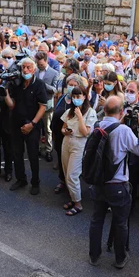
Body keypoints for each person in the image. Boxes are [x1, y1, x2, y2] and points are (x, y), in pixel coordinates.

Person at [88, 96, 139, 268]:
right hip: (118, 185)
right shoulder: (124, 131)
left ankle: (94, 256)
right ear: (121, 112)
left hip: (99, 182)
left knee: (96, 219)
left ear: (105, 110)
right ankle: (120, 258)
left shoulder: (97, 126)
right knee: (120, 222)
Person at [6, 57, 48, 195]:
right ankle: (21, 179)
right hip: (16, 124)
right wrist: (5, 94)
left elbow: (42, 107)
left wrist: (32, 123)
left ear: (34, 69)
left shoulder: (39, 84)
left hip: (32, 125)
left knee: (32, 155)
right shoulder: (17, 84)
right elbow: (12, 105)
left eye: (28, 67)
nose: (25, 70)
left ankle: (35, 182)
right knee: (17, 154)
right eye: (23, 67)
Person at [60, 86, 97, 215]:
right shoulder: (70, 111)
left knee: (72, 174)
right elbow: (63, 128)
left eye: (78, 96)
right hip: (67, 141)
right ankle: (73, 197)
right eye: (74, 97)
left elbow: (86, 132)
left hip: (79, 144)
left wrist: (80, 117)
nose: (76, 99)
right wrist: (65, 131)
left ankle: (78, 203)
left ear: (84, 97)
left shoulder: (90, 112)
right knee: (66, 171)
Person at [35, 51, 61, 163]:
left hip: (47, 105)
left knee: (47, 129)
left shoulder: (54, 73)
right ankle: (39, 148)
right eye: (37, 64)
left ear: (46, 61)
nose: (39, 66)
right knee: (37, 128)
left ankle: (48, 150)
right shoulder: (35, 71)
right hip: (35, 104)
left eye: (41, 64)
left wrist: (41, 84)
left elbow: (54, 89)